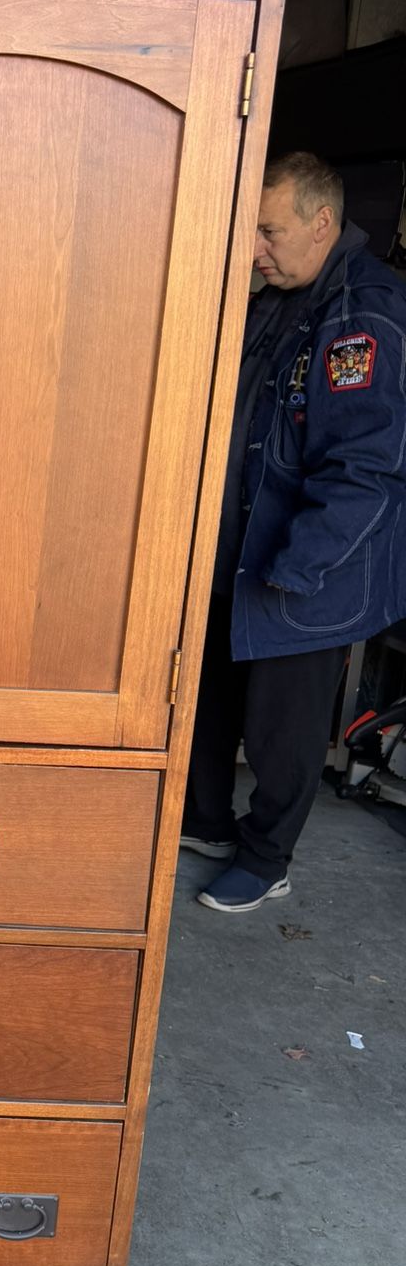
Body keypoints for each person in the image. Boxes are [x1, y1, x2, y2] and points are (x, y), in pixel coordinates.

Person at [182, 150, 406, 912]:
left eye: (269, 232)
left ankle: (267, 856)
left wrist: (303, 564)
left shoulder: (362, 317)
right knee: (209, 691)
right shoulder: (280, 300)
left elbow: (366, 468)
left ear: (321, 222)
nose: (255, 251)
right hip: (239, 547)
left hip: (305, 563)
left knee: (283, 723)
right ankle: (209, 821)